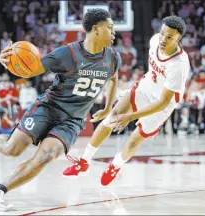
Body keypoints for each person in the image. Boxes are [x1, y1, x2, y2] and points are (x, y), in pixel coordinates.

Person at [0, 9, 120, 211]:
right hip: (48, 108)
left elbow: (113, 79)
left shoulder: (113, 58)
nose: (113, 32)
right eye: (110, 27)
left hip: (72, 120)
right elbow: (33, 69)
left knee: (47, 155)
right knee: (12, 150)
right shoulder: (67, 54)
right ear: (97, 29)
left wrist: (108, 108)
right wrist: (9, 61)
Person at [63, 15, 190, 186]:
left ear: (178, 38)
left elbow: (162, 102)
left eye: (170, 37)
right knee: (112, 117)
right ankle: (84, 161)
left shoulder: (178, 65)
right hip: (146, 87)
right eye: (162, 34)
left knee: (135, 139)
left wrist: (130, 117)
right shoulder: (154, 41)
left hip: (162, 103)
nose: (163, 39)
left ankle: (116, 165)